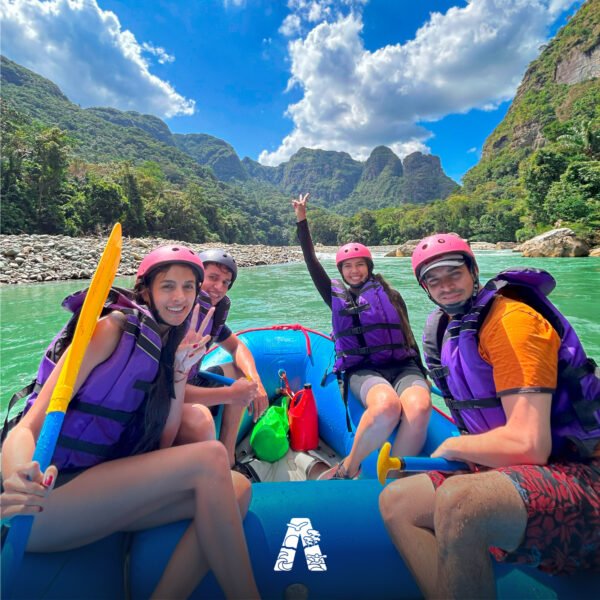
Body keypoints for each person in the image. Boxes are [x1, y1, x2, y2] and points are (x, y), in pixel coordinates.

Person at [1, 245, 260, 599]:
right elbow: (26, 427)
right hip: (39, 505)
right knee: (211, 455)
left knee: (238, 488)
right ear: (146, 290)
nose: (180, 297)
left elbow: (164, 441)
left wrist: (181, 375)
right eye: (168, 286)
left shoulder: (167, 348)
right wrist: (18, 474)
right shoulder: (109, 330)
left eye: (188, 287)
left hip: (97, 492)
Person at [379, 233, 600, 598]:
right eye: (433, 279)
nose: (445, 286)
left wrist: (456, 444)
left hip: (582, 473)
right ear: (424, 288)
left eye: (453, 273)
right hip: (512, 470)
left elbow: (529, 445)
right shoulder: (449, 326)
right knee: (395, 502)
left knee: (458, 500)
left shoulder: (512, 321)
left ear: (474, 271)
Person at [292, 193, 431, 480]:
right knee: (387, 406)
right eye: (347, 266)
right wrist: (302, 221)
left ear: (369, 266)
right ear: (341, 271)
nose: (354, 271)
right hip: (363, 370)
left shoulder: (391, 295)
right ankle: (349, 465)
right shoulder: (333, 295)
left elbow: (407, 337)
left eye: (359, 264)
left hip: (403, 366)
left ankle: (393, 481)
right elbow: (311, 261)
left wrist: (423, 374)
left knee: (419, 408)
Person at [184, 249, 269, 469]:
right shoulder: (176, 313)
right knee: (200, 416)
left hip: (190, 385)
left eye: (226, 282)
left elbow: (237, 346)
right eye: (212, 278)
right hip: (168, 401)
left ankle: (228, 456)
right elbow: (168, 391)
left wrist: (255, 380)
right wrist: (231, 394)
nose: (219, 288)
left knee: (242, 374)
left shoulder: (210, 314)